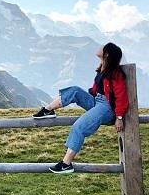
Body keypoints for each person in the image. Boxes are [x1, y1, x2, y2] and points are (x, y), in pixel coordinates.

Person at [32, 42, 129, 174]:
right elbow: (97, 90)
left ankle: (66, 164)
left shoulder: (115, 73)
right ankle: (48, 110)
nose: (99, 47)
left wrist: (119, 117)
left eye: (103, 47)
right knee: (75, 90)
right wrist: (88, 95)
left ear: (106, 54)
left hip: (107, 108)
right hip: (97, 101)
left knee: (79, 127)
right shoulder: (102, 67)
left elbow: (121, 97)